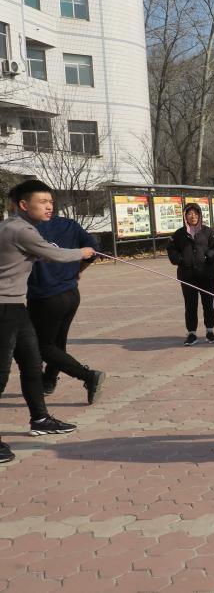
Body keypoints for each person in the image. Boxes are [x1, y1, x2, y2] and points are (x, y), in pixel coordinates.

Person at [0, 180, 94, 463]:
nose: (49, 206)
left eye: (51, 201)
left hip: (17, 307)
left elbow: (41, 255)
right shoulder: (21, 230)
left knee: (32, 364)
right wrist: (82, 253)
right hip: (3, 308)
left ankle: (40, 419)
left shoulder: (14, 227)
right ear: (23, 205)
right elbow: (55, 254)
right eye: (42, 202)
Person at [27, 204, 105, 403]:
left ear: (23, 204)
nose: (48, 205)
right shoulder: (68, 224)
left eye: (48, 201)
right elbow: (93, 249)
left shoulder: (24, 228)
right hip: (70, 295)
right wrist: (79, 269)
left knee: (41, 346)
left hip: (46, 297)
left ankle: (88, 376)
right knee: (56, 343)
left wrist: (78, 269)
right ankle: (49, 380)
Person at [167, 203, 214, 346]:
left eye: (196, 214)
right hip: (188, 275)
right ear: (185, 216)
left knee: (209, 304)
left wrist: (209, 256)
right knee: (190, 305)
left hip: (207, 274)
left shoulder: (208, 231)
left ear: (199, 215)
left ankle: (210, 331)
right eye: (190, 214)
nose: (193, 216)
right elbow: (171, 249)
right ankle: (191, 333)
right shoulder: (179, 234)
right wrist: (179, 259)